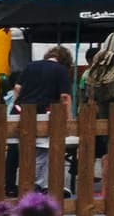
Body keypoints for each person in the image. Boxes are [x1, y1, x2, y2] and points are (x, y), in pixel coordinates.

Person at [13, 45, 74, 191]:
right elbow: (64, 97)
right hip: (43, 113)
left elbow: (17, 88)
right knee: (43, 150)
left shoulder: (30, 66)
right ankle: (39, 184)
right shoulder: (61, 70)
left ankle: (18, 183)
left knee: (24, 150)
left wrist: (18, 103)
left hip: (23, 111)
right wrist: (68, 117)